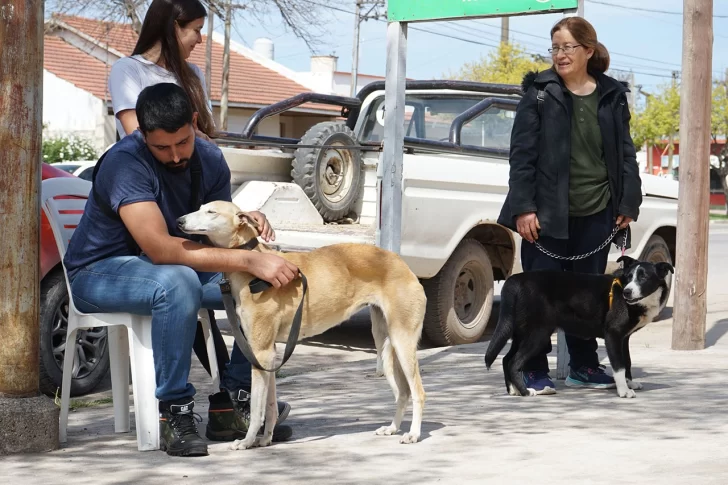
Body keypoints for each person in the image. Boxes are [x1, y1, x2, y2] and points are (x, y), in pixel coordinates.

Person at [64, 83, 299, 456]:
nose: (175, 156)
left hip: (168, 267)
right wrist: (248, 258)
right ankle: (174, 412)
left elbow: (214, 234)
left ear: (194, 123)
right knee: (178, 282)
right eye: (162, 148)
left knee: (256, 283)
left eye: (183, 143)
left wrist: (246, 228)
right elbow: (159, 248)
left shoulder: (209, 156)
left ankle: (233, 402)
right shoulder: (126, 163)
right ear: (142, 134)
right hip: (98, 273)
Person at [497, 16, 642, 395]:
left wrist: (628, 202)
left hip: (597, 212)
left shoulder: (611, 95)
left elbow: (626, 154)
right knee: (540, 297)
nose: (560, 55)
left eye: (568, 47)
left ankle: (584, 366)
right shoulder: (540, 92)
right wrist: (523, 206)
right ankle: (531, 370)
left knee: (589, 298)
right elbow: (521, 155)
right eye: (555, 47)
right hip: (544, 216)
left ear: (588, 50)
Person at [108, 0, 214, 141]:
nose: (200, 39)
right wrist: (193, 139)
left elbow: (209, 133)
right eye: (197, 30)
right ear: (175, 27)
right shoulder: (127, 70)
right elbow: (137, 134)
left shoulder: (194, 74)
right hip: (145, 163)